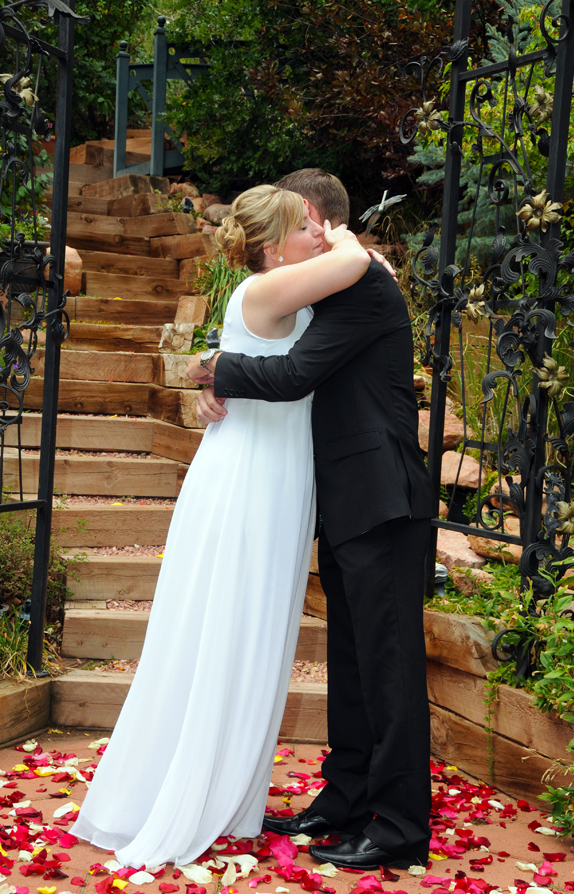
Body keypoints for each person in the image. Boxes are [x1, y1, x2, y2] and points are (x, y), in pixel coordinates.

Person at [71, 183, 371, 870]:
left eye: (322, 226)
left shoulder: (275, 292)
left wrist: (211, 369)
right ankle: (193, 795)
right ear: (272, 247)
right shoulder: (266, 291)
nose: (321, 235)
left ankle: (227, 795)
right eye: (307, 227)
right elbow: (354, 263)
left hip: (274, 477)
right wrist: (349, 237)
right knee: (227, 632)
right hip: (247, 484)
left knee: (252, 635)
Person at [187, 168, 437, 871]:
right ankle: (346, 799)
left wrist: (217, 370)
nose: (297, 238)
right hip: (348, 499)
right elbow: (271, 335)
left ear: (323, 226)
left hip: (383, 496)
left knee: (388, 672)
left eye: (302, 225)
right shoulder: (330, 285)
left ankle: (397, 827)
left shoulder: (360, 283)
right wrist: (216, 381)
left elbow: (295, 374)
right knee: (354, 667)